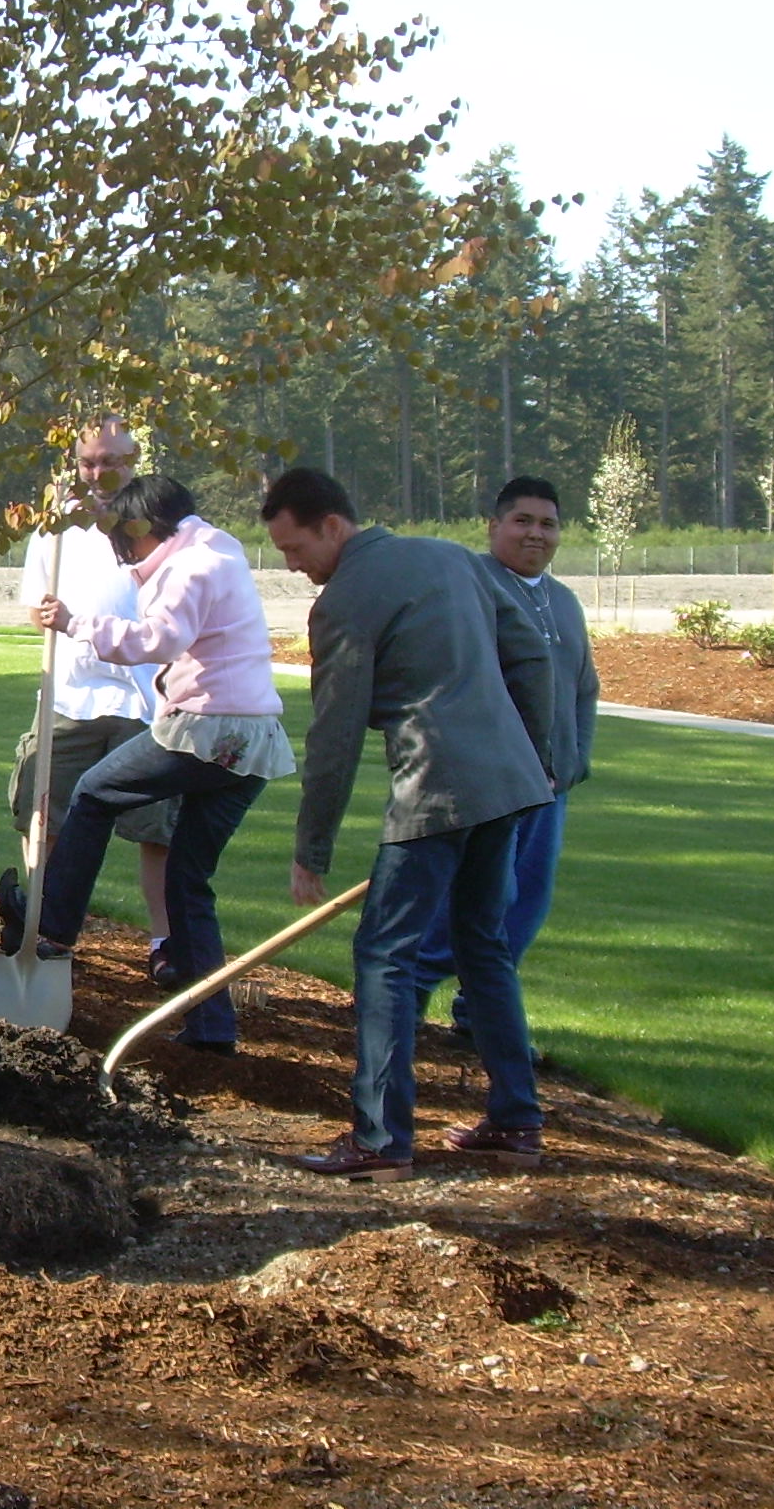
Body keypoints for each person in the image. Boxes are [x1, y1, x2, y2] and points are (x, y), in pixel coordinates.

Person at [264, 467, 555, 1180]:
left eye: (296, 550)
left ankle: (379, 1138)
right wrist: (536, 756)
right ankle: (516, 1122)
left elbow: (332, 740)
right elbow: (533, 656)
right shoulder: (450, 556)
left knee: (385, 955)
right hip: (510, 785)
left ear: (333, 525)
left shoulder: (345, 603)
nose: (294, 568)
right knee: (481, 944)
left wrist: (312, 850)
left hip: (439, 786)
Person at [1, 475, 292, 1053]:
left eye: (128, 543)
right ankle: (211, 1029)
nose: (127, 555)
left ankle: (55, 929)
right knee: (188, 881)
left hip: (207, 731)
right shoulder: (218, 547)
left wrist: (75, 622)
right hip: (256, 743)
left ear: (146, 530)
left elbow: (157, 640)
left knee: (93, 793)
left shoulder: (189, 568)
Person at [415, 476, 598, 1033]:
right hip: (488, 787)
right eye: (522, 521)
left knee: (525, 907)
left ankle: (479, 1018)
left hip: (548, 790)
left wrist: (573, 762)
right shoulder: (472, 589)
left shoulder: (562, 601)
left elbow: (583, 688)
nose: (535, 534)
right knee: (467, 901)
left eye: (548, 523)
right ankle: (406, 997)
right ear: (494, 527)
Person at [2, 417, 179, 981]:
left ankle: (165, 944)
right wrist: (55, 617)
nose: (99, 473)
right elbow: (36, 610)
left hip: (149, 701)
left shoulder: (159, 527)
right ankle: (42, 931)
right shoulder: (54, 531)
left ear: (135, 462)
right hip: (71, 697)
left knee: (158, 831)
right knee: (44, 812)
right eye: (88, 462)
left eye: (112, 462)